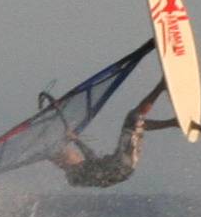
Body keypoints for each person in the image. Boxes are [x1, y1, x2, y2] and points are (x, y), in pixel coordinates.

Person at [48, 80, 180, 188]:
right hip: (121, 164)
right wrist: (76, 140)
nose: (76, 154)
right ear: (64, 162)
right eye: (72, 154)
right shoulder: (75, 172)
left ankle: (173, 122)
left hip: (123, 168)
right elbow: (90, 156)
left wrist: (71, 143)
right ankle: (161, 86)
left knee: (135, 126)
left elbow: (91, 163)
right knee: (133, 117)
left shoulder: (75, 178)